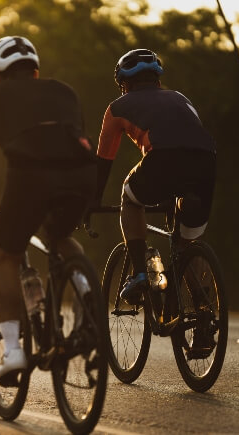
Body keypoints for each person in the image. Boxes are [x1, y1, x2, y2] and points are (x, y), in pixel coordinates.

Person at [0, 36, 96, 380]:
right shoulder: (65, 91)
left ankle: (12, 351)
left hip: (30, 173)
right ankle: (88, 297)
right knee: (59, 236)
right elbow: (76, 138)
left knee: (7, 254)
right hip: (83, 173)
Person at [94, 49, 216, 317]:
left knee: (130, 194)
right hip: (206, 160)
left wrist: (92, 202)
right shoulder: (180, 98)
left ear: (124, 85)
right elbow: (191, 137)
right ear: (157, 80)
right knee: (186, 243)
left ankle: (139, 273)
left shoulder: (117, 108)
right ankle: (204, 312)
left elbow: (104, 162)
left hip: (163, 158)